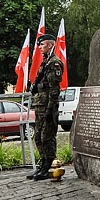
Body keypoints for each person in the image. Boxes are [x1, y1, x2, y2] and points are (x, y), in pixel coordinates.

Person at [26, 33, 64, 181]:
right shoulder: (45, 62)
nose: (40, 47)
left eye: (42, 45)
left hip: (48, 106)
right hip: (40, 105)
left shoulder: (54, 63)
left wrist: (50, 109)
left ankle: (50, 164)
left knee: (47, 137)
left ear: (49, 45)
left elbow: (54, 89)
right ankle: (43, 164)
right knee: (38, 137)